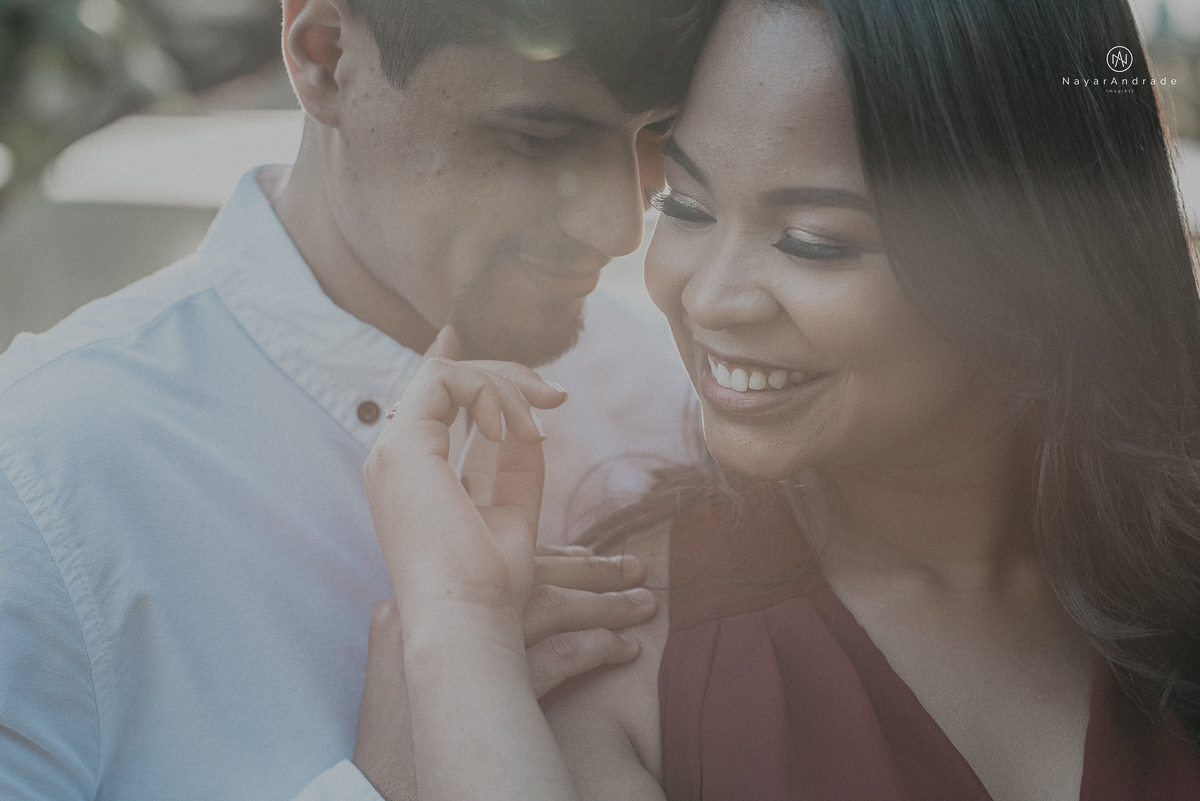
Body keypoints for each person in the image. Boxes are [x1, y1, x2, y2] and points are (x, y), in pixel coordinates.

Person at [363, 0, 1200, 799]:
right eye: (684, 205)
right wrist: (459, 629)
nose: (712, 298)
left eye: (814, 241)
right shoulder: (625, 650)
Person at [0, 0, 720, 798]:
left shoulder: (675, 396)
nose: (621, 226)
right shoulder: (40, 486)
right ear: (325, 54)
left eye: (656, 137)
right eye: (538, 140)